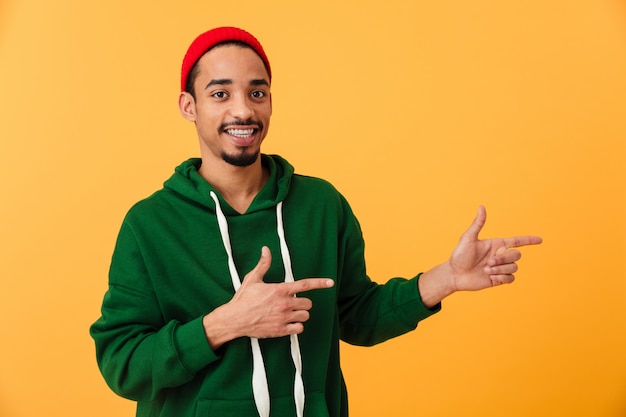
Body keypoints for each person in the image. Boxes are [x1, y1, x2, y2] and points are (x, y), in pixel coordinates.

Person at [90, 26, 542, 417]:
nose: (243, 110)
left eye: (257, 92)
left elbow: (355, 317)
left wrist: (447, 278)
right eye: (220, 93)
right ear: (189, 106)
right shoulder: (148, 225)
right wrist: (226, 323)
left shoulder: (321, 205)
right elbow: (122, 363)